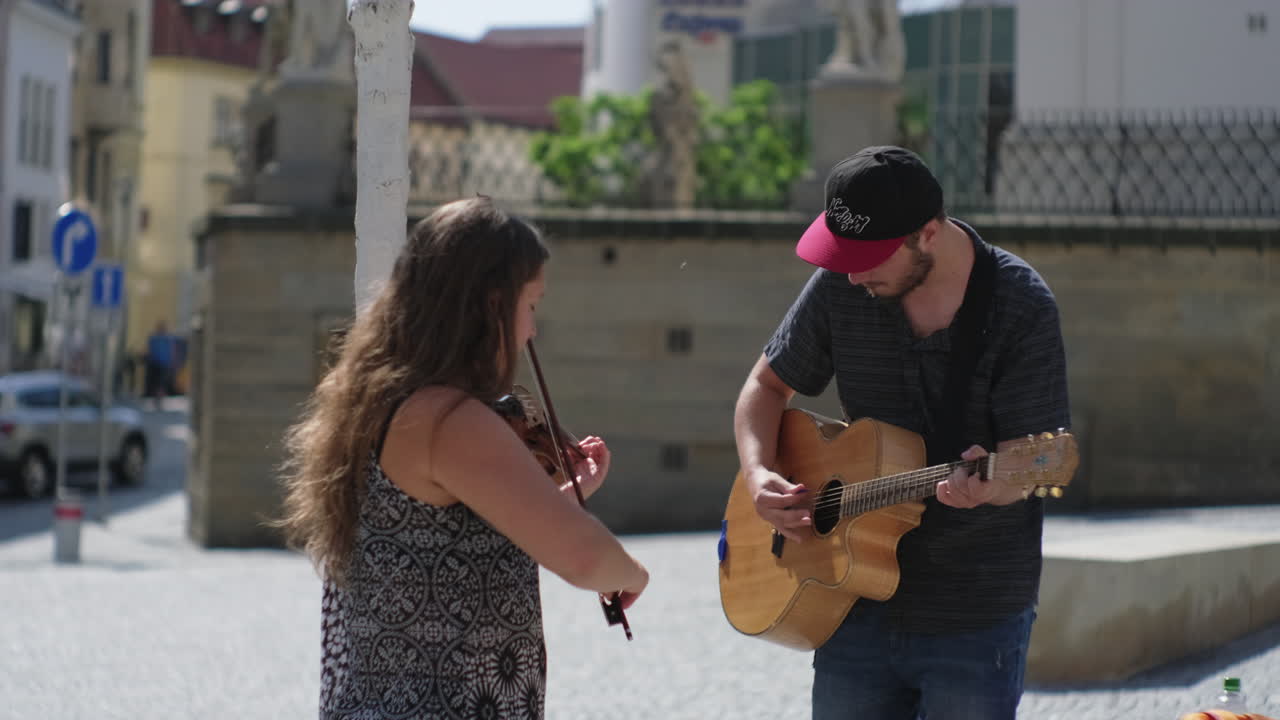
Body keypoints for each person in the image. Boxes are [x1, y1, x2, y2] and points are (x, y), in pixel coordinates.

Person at [277, 197, 649, 719]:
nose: (531, 331)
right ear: (492, 306)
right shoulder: (449, 420)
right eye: (531, 306)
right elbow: (585, 558)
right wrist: (633, 574)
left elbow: (440, 535)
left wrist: (559, 499)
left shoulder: (384, 401)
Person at [733, 146, 1070, 720]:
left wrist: (990, 485)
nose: (853, 272)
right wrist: (760, 472)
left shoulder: (1021, 305)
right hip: (851, 603)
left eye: (869, 257)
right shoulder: (842, 284)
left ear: (929, 234)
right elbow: (764, 389)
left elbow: (1039, 461)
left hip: (974, 616)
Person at [144, 321, 177, 406]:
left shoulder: (167, 339)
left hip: (163, 364)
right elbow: (149, 350)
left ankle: (159, 398)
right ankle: (157, 398)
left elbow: (171, 351)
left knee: (161, 382)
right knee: (155, 382)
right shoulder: (154, 338)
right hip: (155, 363)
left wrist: (172, 362)